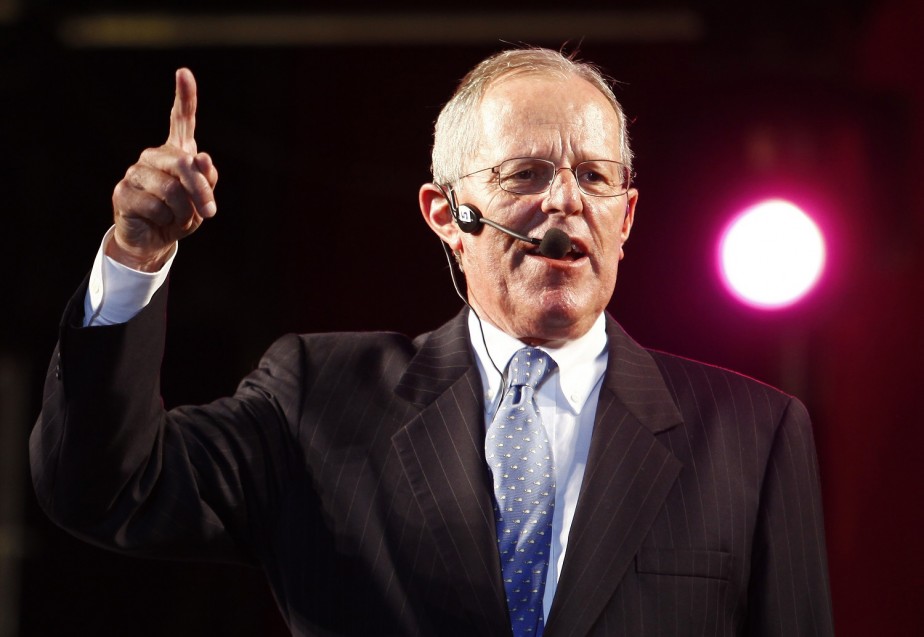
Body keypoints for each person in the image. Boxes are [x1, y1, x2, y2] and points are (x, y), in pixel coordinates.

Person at [31, 48, 834, 636]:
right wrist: (136, 252)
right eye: (525, 173)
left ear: (625, 218)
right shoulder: (318, 398)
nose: (566, 201)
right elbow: (104, 487)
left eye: (594, 176)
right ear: (447, 215)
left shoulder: (752, 434)